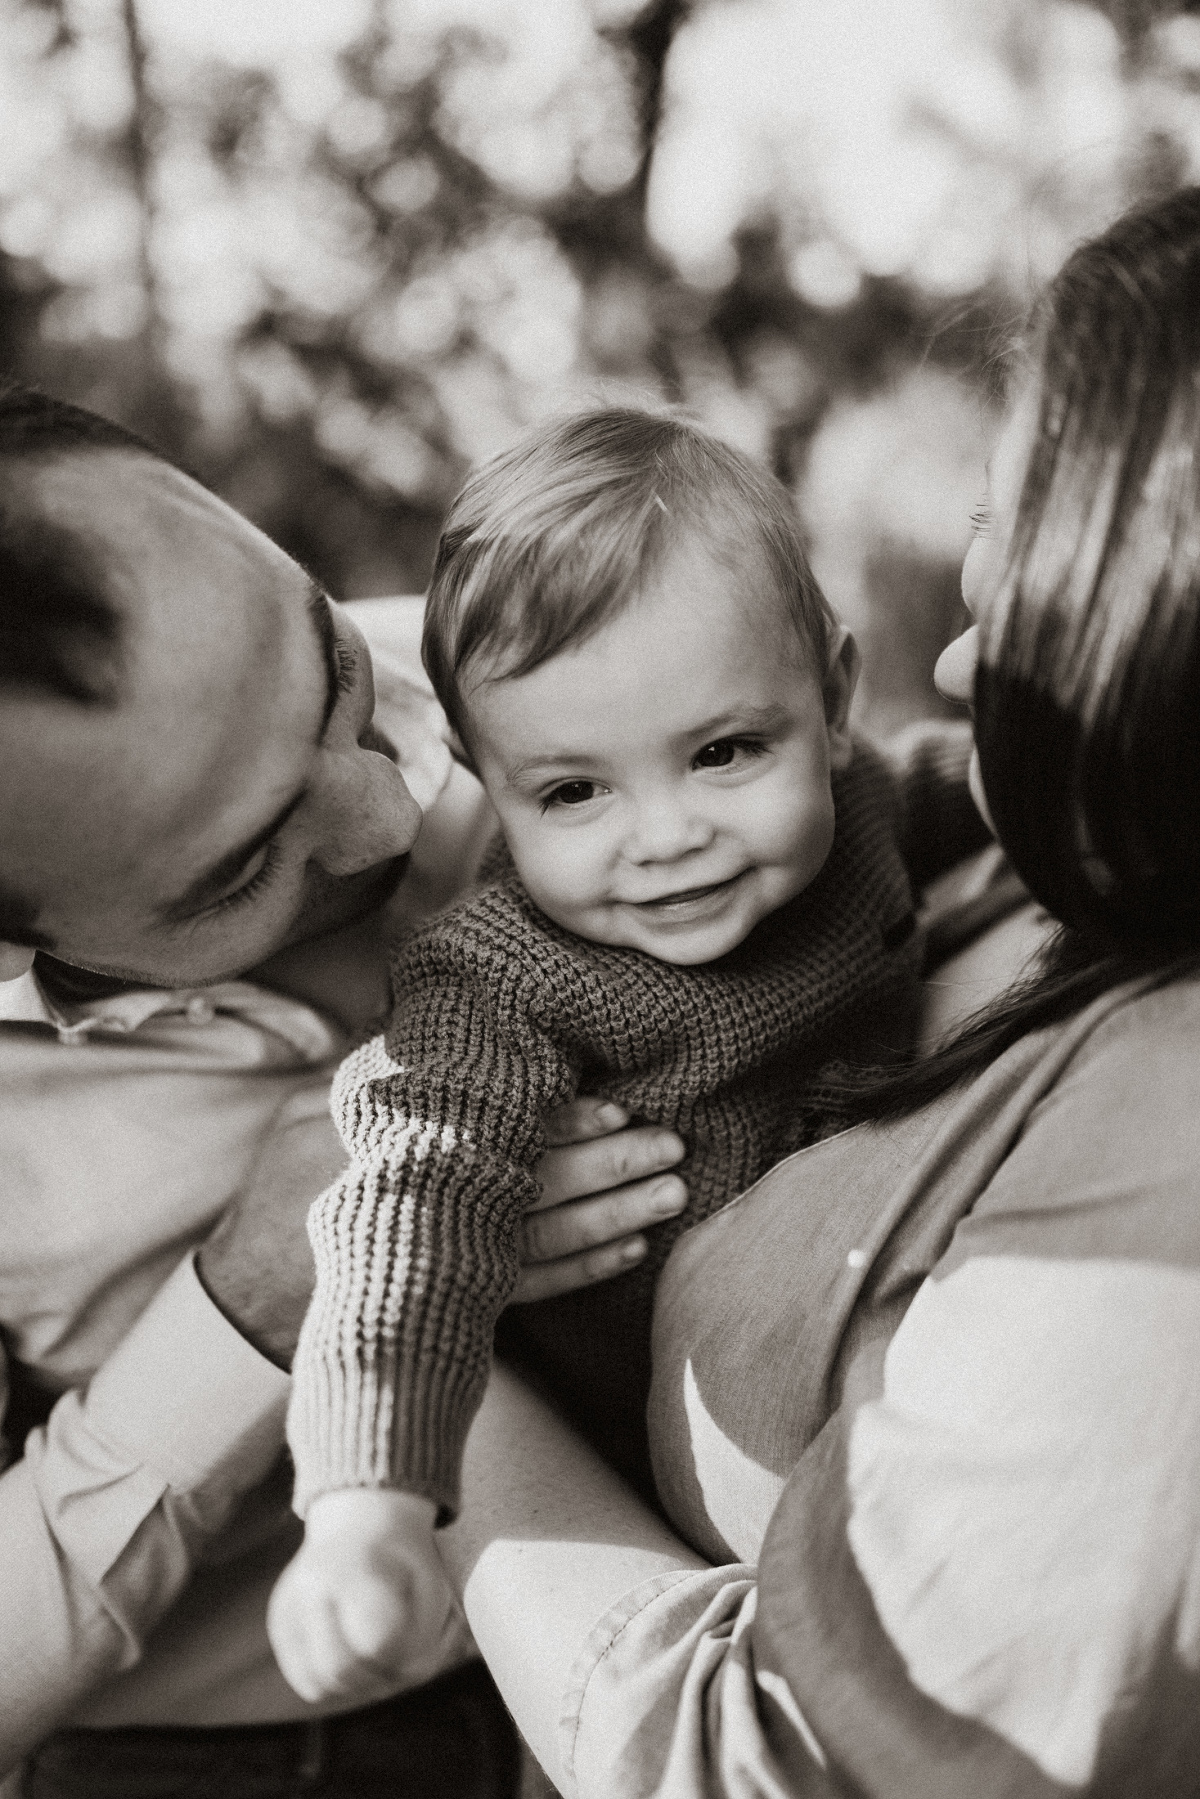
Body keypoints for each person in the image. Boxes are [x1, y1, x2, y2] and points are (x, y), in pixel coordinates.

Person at [435, 185, 1200, 1797]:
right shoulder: (1025, 856)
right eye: (984, 541)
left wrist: (427, 1362)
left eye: (1041, 565)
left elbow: (764, 1765)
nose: (962, 656)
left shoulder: (1169, 1162)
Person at [0, 383, 693, 1796]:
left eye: (333, 672)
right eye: (243, 870)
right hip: (255, 1762)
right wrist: (244, 1309)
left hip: (692, 1606)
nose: (390, 811)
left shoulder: (539, 663)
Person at [266, 409, 988, 1705]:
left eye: (722, 754)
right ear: (487, 778)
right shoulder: (497, 980)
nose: (665, 836)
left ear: (832, 703)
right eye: (572, 792)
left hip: (866, 1356)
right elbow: (410, 1208)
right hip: (626, 1476)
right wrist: (365, 1502)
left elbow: (984, 788)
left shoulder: (863, 807)